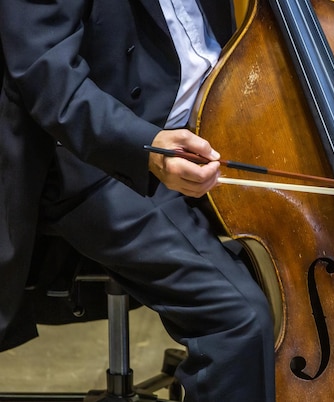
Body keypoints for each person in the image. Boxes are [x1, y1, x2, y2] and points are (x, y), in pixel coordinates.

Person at [0, 0, 276, 401]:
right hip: (104, 155)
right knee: (238, 320)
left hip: (221, 126)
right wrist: (144, 148)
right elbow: (47, 76)